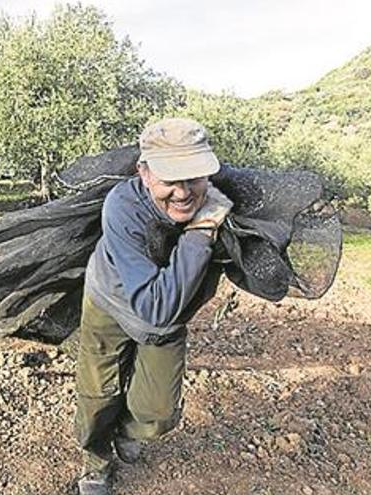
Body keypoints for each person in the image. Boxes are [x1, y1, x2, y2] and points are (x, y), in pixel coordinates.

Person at [75, 118, 234, 495]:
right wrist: (200, 231)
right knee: (97, 396)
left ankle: (129, 430)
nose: (183, 193)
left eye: (194, 177)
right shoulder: (123, 208)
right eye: (170, 180)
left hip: (168, 313)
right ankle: (96, 460)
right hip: (111, 302)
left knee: (159, 413)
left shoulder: (215, 192)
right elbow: (154, 307)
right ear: (143, 173)